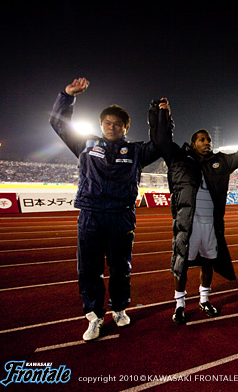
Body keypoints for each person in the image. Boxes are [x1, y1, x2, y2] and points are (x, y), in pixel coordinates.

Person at [49, 78, 161, 341]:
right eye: (108, 123)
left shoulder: (136, 151)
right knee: (88, 268)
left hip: (121, 216)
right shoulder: (86, 144)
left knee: (120, 267)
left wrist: (159, 115)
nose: (112, 127)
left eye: (118, 124)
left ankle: (119, 309)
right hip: (90, 214)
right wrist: (67, 96)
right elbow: (58, 123)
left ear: (125, 128)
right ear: (101, 125)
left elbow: (159, 143)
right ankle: (94, 316)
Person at [149, 100, 238, 324]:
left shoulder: (220, 161)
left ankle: (204, 300)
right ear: (193, 144)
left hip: (210, 224)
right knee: (181, 265)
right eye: (202, 139)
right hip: (187, 224)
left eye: (209, 139)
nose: (207, 142)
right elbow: (161, 140)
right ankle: (180, 305)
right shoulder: (179, 159)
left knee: (208, 263)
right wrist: (162, 114)